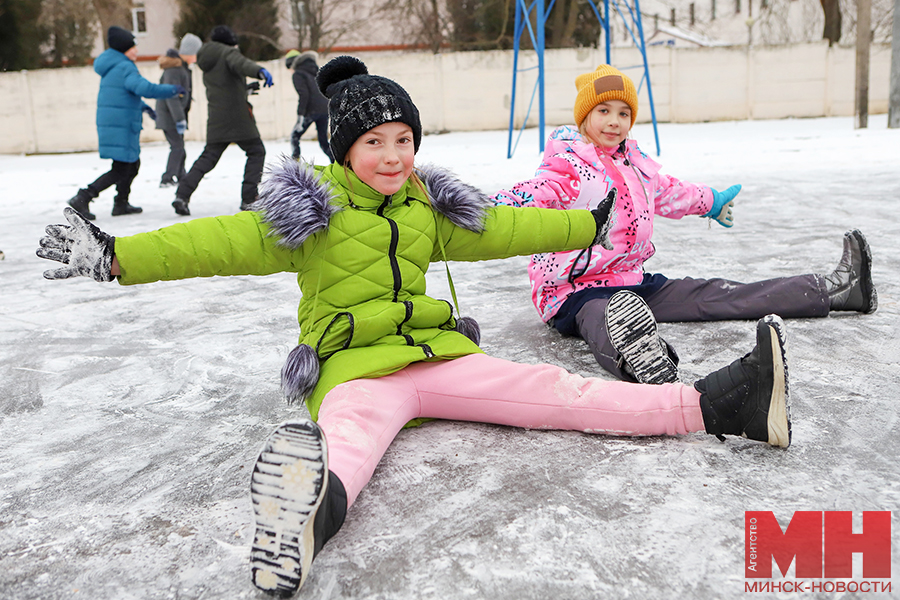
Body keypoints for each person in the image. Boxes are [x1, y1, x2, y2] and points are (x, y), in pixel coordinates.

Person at [37, 56, 793, 598]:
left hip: (436, 354)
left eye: (404, 141)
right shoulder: (309, 214)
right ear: (344, 148)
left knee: (557, 391)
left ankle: (718, 405)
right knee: (352, 447)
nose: (394, 157)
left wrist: (582, 219)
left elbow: (502, 229)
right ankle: (308, 518)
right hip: (354, 367)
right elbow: (211, 242)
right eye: (375, 143)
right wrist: (115, 257)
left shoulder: (427, 210)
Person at [492, 64, 877, 385]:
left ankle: (834, 291)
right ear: (585, 116)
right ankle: (642, 358)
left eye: (623, 113)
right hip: (573, 293)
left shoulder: (633, 163)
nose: (614, 121)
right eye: (603, 111)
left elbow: (668, 192)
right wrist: (479, 209)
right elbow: (534, 193)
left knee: (712, 294)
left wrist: (710, 202)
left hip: (630, 281)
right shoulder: (568, 166)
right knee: (600, 318)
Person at [67, 26, 183, 220]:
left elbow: (123, 95)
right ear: (123, 49)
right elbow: (144, 87)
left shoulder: (114, 66)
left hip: (116, 123)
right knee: (121, 168)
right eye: (132, 48)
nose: (136, 51)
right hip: (121, 125)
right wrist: (172, 89)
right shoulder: (125, 67)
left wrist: (143, 107)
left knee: (131, 164)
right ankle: (83, 197)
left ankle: (121, 203)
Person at [171, 25, 274, 216]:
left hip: (218, 118)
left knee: (207, 158)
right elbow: (242, 64)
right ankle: (249, 198)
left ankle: (182, 195)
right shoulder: (227, 52)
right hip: (238, 118)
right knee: (256, 151)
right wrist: (259, 71)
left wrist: (245, 89)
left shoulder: (206, 59)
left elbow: (224, 85)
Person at [156, 33, 202, 187]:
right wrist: (179, 119)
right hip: (170, 116)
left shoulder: (181, 68)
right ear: (190, 53)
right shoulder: (175, 70)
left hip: (174, 116)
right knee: (177, 147)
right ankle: (167, 178)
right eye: (196, 53)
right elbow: (172, 97)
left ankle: (182, 175)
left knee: (179, 146)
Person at [284, 49, 333, 162]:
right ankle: (338, 164)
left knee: (295, 136)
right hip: (325, 108)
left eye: (289, 68)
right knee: (324, 141)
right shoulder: (316, 70)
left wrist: (300, 115)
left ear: (292, 64)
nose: (290, 71)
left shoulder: (298, 74)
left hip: (311, 110)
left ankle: (295, 164)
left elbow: (304, 95)